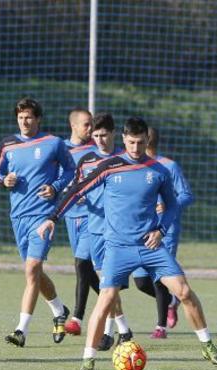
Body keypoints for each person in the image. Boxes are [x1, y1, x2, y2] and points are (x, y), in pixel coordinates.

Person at [38, 117, 217, 370]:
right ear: (124, 140)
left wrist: (160, 230)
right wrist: (53, 218)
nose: (136, 147)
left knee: (183, 292)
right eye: (131, 142)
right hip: (117, 247)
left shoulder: (159, 170)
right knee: (105, 300)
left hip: (150, 245)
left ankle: (207, 344)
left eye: (140, 142)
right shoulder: (108, 167)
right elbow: (76, 191)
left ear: (147, 140)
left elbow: (171, 206)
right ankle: (88, 360)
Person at [0, 98, 74, 347]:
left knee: (31, 270)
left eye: (28, 117)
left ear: (38, 119)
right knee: (35, 273)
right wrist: (5, 180)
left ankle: (21, 330)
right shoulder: (8, 145)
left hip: (44, 216)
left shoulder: (53, 143)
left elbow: (71, 171)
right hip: (18, 216)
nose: (24, 122)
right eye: (20, 118)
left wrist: (55, 186)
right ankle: (59, 311)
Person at [74, 113, 132, 350]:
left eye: (103, 135)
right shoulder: (86, 160)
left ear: (113, 133)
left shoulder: (125, 158)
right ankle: (124, 330)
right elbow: (77, 189)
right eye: (95, 135)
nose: (99, 140)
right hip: (95, 230)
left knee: (110, 283)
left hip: (120, 232)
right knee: (104, 282)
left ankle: (110, 333)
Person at [132, 126, 196, 339]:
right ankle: (172, 300)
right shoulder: (132, 166)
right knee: (141, 282)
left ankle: (160, 327)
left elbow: (186, 195)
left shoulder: (169, 166)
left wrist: (169, 205)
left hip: (166, 230)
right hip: (140, 230)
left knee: (159, 277)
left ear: (147, 140)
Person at [61, 108, 99, 336]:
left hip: (90, 217)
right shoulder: (61, 150)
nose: (90, 128)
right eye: (86, 124)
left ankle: (76, 317)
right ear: (73, 126)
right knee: (86, 271)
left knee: (81, 263)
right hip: (69, 216)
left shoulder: (96, 151)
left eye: (91, 124)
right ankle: (116, 313)